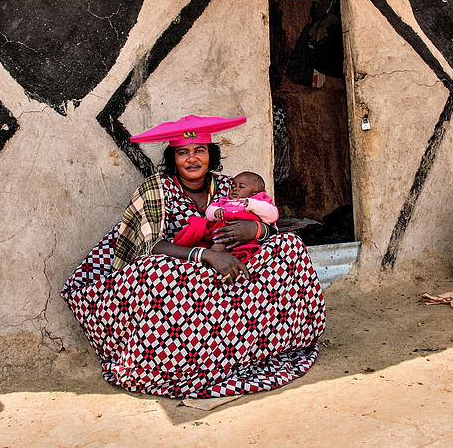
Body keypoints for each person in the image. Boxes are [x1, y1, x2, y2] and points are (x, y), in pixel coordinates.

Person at [62, 115, 325, 398]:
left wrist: (257, 230)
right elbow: (149, 246)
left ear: (210, 156)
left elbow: (269, 223)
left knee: (290, 246)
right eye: (182, 152)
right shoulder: (156, 188)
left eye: (199, 150)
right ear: (173, 158)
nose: (191, 159)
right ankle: (177, 364)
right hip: (179, 269)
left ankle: (257, 346)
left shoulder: (229, 186)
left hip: (227, 265)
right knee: (156, 271)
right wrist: (207, 257)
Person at [174, 171, 279, 264]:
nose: (235, 189)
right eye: (233, 187)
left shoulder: (259, 202)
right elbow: (209, 211)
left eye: (241, 187)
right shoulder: (225, 201)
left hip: (246, 237)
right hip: (222, 235)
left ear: (255, 193)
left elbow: (273, 215)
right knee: (212, 243)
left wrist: (253, 205)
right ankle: (210, 261)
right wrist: (215, 212)